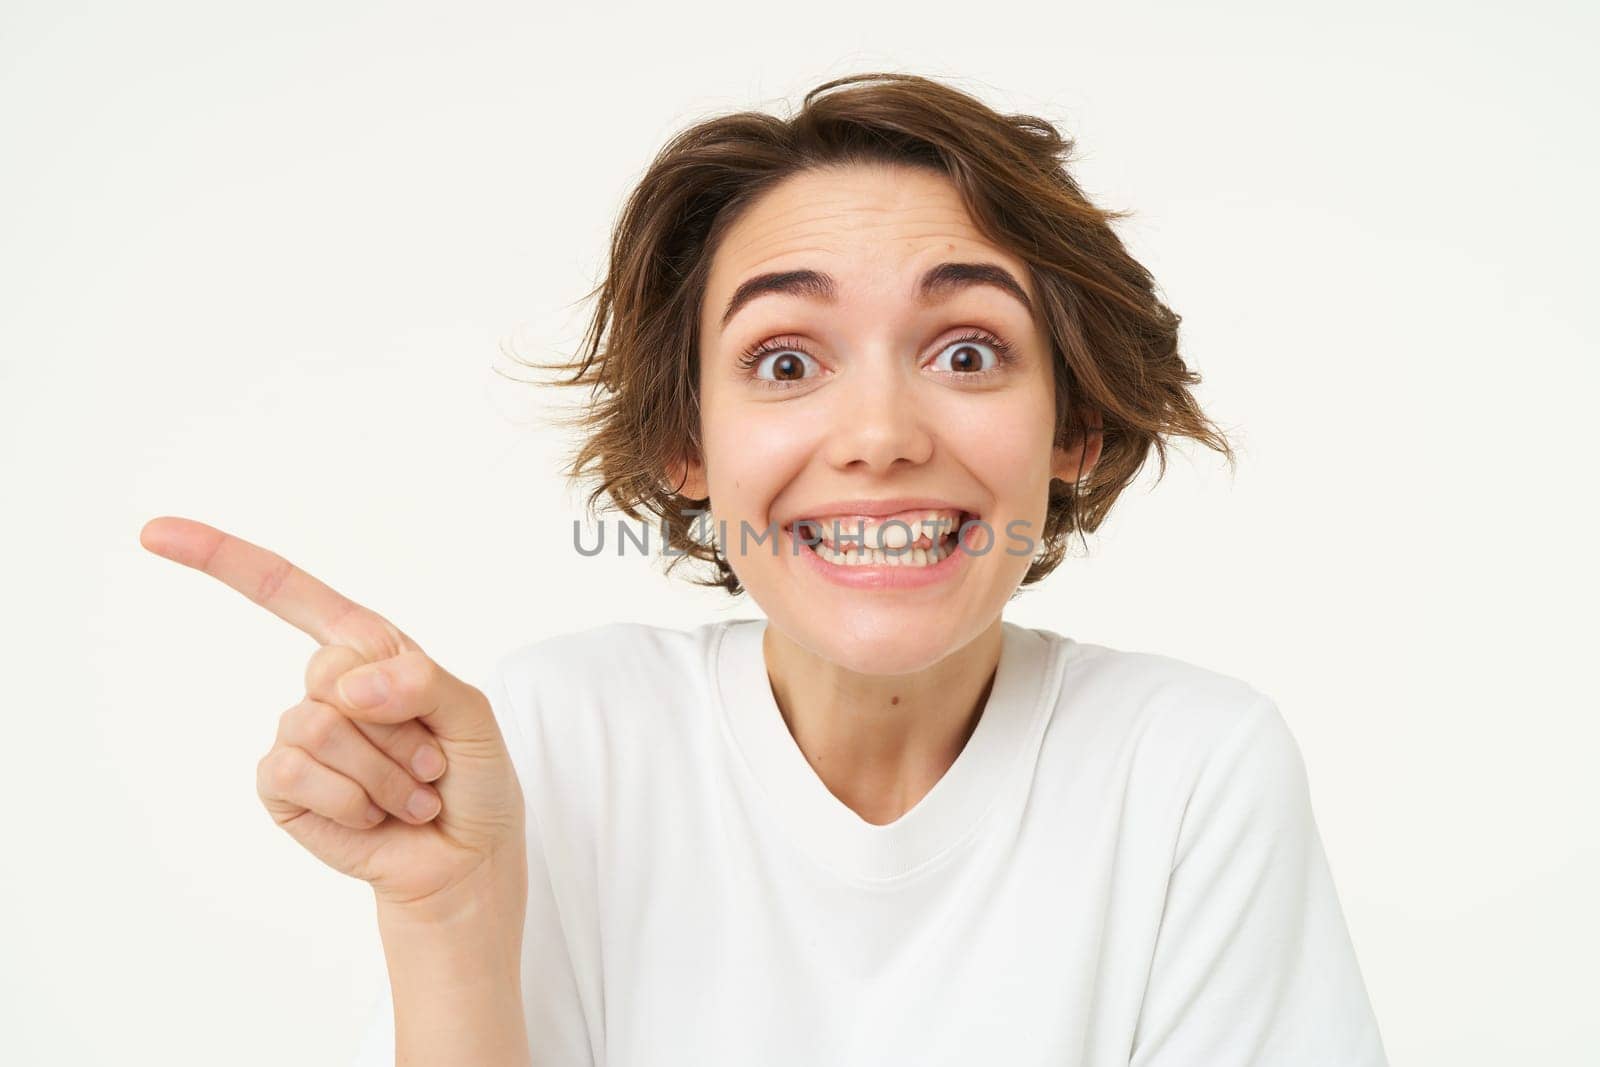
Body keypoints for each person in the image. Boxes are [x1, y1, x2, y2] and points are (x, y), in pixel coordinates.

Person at [140, 72, 1388, 1066]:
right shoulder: (563, 737)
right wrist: (446, 924)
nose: (882, 435)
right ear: (687, 441)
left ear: (1075, 427)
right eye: (787, 361)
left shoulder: (1187, 767)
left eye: (966, 351)